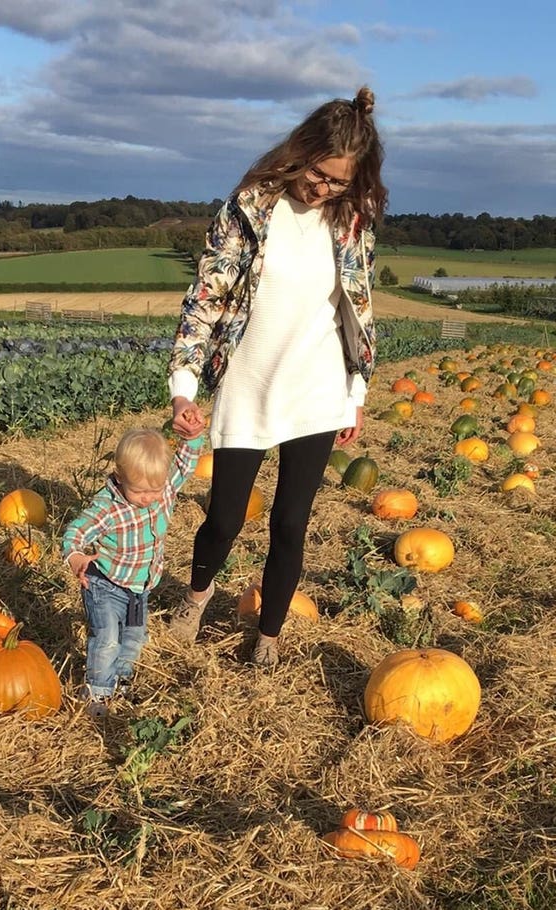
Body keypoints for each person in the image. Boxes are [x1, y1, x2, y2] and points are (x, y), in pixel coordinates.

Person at [166, 86, 387, 668]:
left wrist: (355, 393)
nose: (323, 189)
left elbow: (357, 308)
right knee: (224, 517)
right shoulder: (249, 208)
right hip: (247, 383)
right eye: (319, 174)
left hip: (316, 386)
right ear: (301, 151)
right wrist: (183, 388)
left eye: (339, 182)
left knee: (291, 522)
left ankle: (267, 639)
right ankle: (196, 598)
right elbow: (205, 297)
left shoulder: (349, 222)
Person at [62, 425, 203, 715]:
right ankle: (97, 693)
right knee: (107, 639)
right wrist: (76, 557)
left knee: (134, 637)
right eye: (138, 490)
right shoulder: (109, 507)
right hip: (105, 584)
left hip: (140, 587)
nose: (147, 497)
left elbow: (186, 462)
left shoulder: (163, 489)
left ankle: (122, 681)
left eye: (154, 490)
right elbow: (76, 531)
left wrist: (192, 435)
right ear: (119, 477)